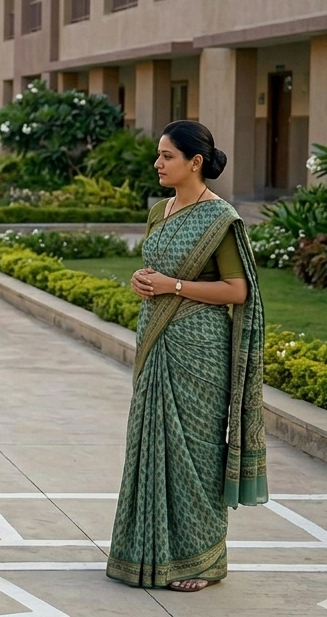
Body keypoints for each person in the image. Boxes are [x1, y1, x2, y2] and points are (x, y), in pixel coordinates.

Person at [111, 120, 268, 592]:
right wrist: (145, 280)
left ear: (194, 162)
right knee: (150, 447)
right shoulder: (161, 211)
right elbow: (157, 269)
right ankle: (147, 553)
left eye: (167, 156)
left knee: (194, 456)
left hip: (199, 351)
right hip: (158, 342)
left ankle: (201, 562)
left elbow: (238, 290)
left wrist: (172, 286)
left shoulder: (220, 218)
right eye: (158, 155)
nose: (158, 164)